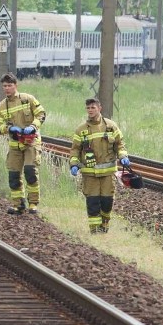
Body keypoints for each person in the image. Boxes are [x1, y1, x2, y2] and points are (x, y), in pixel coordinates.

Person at [69, 97, 130, 234]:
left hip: (108, 174)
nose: (90, 110)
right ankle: (94, 231)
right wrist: (73, 164)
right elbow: (75, 150)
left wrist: (123, 156)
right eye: (88, 108)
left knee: (107, 202)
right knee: (93, 202)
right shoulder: (81, 130)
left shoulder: (111, 126)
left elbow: (120, 144)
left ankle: (105, 226)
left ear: (99, 108)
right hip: (90, 174)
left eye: (93, 107)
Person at [0, 73, 46, 215]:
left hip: (31, 143)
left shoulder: (28, 99)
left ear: (16, 85)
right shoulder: (2, 106)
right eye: (4, 86)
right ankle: (18, 205)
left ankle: (33, 204)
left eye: (10, 85)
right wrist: (8, 128)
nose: (7, 88)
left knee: (30, 172)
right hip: (15, 145)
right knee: (14, 176)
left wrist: (33, 126)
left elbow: (41, 114)